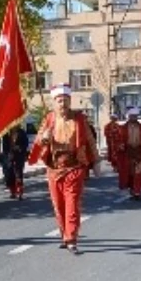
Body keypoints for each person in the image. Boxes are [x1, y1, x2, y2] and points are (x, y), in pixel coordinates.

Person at [31, 84, 96, 253]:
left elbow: (89, 140)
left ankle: (71, 238)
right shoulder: (49, 119)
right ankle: (64, 234)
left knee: (72, 203)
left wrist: (96, 161)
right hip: (54, 168)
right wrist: (44, 137)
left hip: (74, 166)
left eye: (66, 100)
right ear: (54, 102)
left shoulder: (79, 119)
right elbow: (39, 141)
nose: (63, 104)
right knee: (58, 206)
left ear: (70, 101)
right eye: (60, 101)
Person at [116, 107, 141, 201]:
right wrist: (121, 145)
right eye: (132, 116)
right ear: (129, 117)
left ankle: (137, 192)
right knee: (130, 174)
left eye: (135, 116)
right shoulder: (122, 128)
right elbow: (118, 140)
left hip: (139, 153)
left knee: (138, 173)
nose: (133, 118)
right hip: (128, 154)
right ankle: (132, 190)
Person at [0, 126, 29, 200]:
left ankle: (20, 192)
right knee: (9, 174)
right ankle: (13, 191)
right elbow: (4, 146)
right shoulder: (6, 133)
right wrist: (8, 153)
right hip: (9, 156)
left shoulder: (22, 132)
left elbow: (25, 143)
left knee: (18, 173)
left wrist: (19, 148)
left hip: (19, 156)